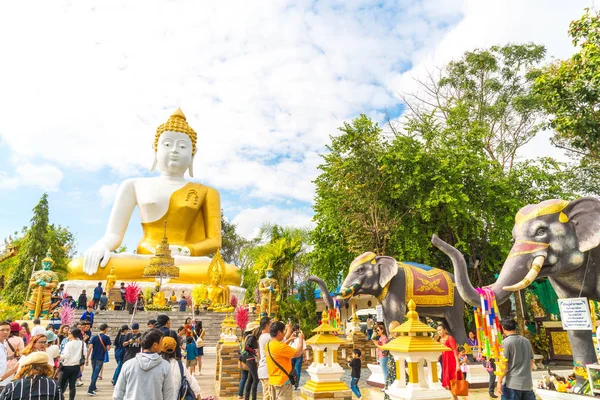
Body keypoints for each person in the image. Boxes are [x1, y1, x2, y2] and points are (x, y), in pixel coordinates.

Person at [113, 329, 175, 400]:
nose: (162, 344)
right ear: (155, 345)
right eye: (161, 342)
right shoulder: (165, 366)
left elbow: (118, 393)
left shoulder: (128, 365)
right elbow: (168, 394)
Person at [495, 318, 535, 400]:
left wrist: (499, 382)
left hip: (512, 384)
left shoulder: (505, 343)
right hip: (527, 384)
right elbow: (532, 360)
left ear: (503, 328)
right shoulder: (526, 341)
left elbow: (504, 364)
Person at [266, 321, 304, 400]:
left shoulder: (269, 344)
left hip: (273, 381)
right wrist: (301, 338)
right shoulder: (280, 347)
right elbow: (298, 353)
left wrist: (289, 339)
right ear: (279, 332)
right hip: (282, 382)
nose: (284, 333)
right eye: (284, 331)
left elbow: (280, 348)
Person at [59, 327, 86, 400]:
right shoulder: (82, 343)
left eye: (69, 333)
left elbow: (66, 356)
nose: (68, 334)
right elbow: (84, 353)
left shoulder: (69, 344)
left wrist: (59, 356)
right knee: (72, 385)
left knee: (61, 385)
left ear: (73, 334)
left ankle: (59, 398)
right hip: (76, 366)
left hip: (66, 366)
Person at [86, 323, 111, 396]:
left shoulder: (94, 337)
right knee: (96, 373)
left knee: (94, 372)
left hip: (93, 357)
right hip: (100, 357)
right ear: (105, 329)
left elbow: (90, 348)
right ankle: (90, 389)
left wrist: (87, 358)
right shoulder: (106, 338)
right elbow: (108, 348)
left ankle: (93, 386)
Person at [437, 323, 460, 400]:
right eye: (438, 330)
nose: (439, 332)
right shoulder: (440, 340)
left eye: (440, 330)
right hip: (445, 362)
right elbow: (441, 351)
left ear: (444, 330)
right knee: (448, 381)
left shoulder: (450, 338)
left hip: (452, 361)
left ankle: (455, 397)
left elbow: (454, 350)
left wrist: (457, 363)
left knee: (453, 379)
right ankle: (454, 397)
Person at [243, 323, 260, 400]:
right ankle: (253, 398)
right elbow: (246, 347)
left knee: (250, 379)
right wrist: (254, 352)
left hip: (251, 359)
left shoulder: (250, 338)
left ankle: (247, 397)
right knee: (256, 379)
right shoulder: (251, 338)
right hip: (251, 359)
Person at [257, 317, 272, 400]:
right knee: (268, 395)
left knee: (267, 394)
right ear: (267, 325)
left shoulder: (263, 336)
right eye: (271, 325)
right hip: (266, 369)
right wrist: (288, 330)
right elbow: (282, 340)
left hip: (264, 370)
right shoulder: (267, 337)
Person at [0, 321, 16, 392]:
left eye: (7, 330)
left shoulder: (4, 343)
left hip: (3, 381)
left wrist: (10, 357)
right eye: (2, 330)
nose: (5, 332)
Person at [290, 324, 306, 390]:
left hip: (291, 356)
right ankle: (296, 385)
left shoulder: (291, 339)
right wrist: (305, 357)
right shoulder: (301, 339)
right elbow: (304, 349)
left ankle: (292, 384)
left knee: (291, 371)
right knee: (297, 371)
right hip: (298, 356)